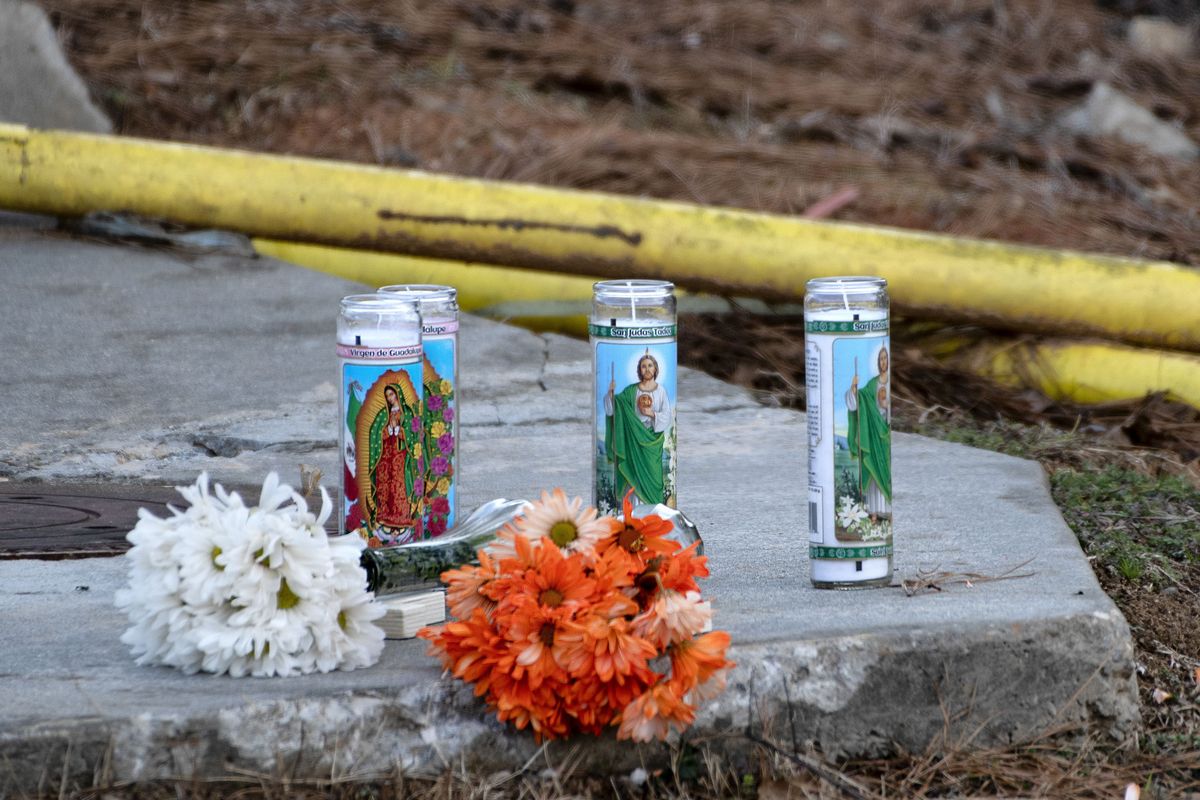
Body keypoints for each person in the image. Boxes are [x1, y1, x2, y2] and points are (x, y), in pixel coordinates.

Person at [604, 351, 672, 505]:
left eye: (650, 365)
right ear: (639, 370)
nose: (647, 369)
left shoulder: (661, 391)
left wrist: (652, 414)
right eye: (643, 366)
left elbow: (667, 416)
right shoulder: (631, 391)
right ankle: (632, 514)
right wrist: (610, 394)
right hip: (632, 440)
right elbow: (614, 408)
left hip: (651, 443)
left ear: (655, 369)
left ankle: (653, 516)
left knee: (654, 478)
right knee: (632, 476)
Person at [845, 346, 892, 522]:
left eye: (885, 358)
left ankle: (886, 511)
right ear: (877, 362)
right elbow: (860, 400)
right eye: (880, 359)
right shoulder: (873, 384)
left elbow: (888, 408)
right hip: (873, 434)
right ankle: (873, 513)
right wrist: (854, 388)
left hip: (885, 433)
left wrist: (887, 410)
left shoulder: (889, 383)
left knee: (885, 471)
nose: (883, 362)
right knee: (872, 469)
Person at [372, 384, 413, 531]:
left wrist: (398, 429)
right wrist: (388, 430)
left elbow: (411, 433)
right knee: (385, 481)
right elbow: (378, 434)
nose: (390, 398)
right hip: (386, 454)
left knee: (398, 482)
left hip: (400, 453)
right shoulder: (385, 414)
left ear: (397, 394)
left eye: (391, 394)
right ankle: (384, 515)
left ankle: (400, 516)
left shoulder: (406, 412)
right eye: (387, 395)